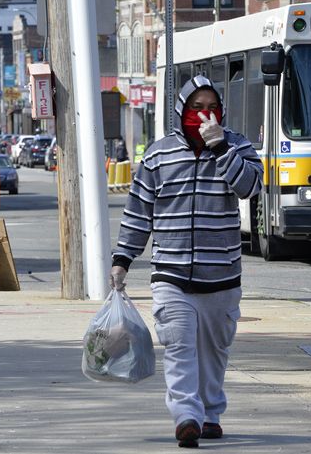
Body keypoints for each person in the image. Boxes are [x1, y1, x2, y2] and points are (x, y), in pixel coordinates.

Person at [109, 75, 262, 448]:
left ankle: (210, 414)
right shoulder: (158, 155)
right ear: (182, 112)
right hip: (170, 275)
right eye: (197, 108)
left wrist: (221, 149)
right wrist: (123, 258)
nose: (204, 114)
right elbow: (138, 211)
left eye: (211, 108)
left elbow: (250, 188)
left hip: (222, 276)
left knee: (213, 354)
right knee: (178, 346)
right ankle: (186, 417)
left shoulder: (238, 146)